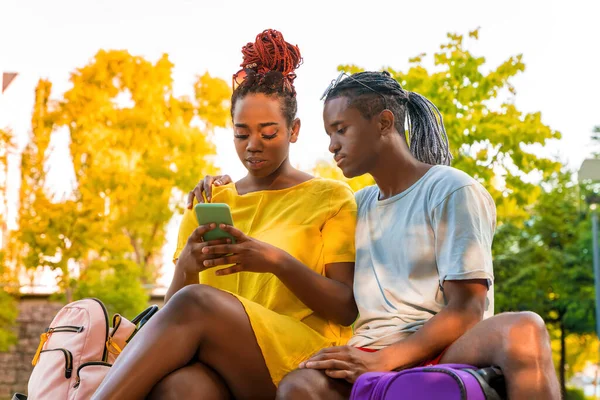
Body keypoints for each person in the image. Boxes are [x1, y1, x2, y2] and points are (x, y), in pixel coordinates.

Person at [201, 71, 561, 400]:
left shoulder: (450, 190)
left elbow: (467, 308)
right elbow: (295, 222)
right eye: (329, 134)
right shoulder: (356, 205)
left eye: (341, 129)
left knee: (524, 328)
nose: (331, 146)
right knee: (298, 385)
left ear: (384, 123)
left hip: (448, 345)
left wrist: (387, 360)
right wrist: (230, 189)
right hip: (370, 347)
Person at [92, 29, 358, 400]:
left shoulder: (331, 196)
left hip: (300, 360)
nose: (252, 146)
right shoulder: (210, 200)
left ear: (293, 130)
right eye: (241, 133)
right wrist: (186, 264)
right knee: (182, 387)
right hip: (228, 363)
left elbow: (346, 307)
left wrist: (274, 260)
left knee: (197, 302)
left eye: (268, 133)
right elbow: (173, 316)